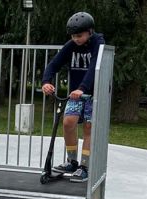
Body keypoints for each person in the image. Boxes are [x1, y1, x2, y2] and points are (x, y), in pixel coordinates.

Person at [41, 12, 105, 182]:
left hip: (93, 93)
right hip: (76, 94)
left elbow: (93, 68)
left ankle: (84, 166)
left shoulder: (98, 43)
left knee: (88, 128)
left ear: (90, 31)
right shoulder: (71, 45)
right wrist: (46, 81)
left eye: (79, 36)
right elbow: (54, 64)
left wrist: (82, 88)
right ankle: (72, 161)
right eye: (73, 36)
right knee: (68, 123)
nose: (76, 39)